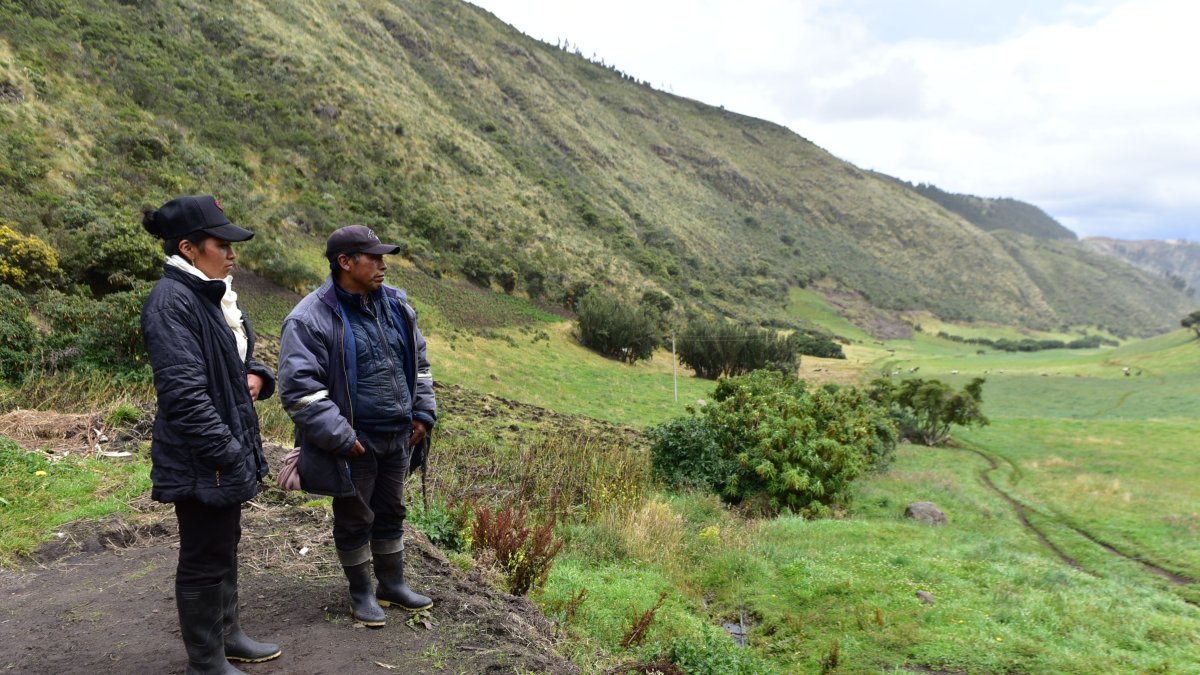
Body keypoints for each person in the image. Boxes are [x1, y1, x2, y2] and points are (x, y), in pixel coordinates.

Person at [140, 195, 281, 673]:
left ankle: (228, 636)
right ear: (189, 247)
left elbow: (233, 356)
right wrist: (227, 451)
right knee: (203, 555)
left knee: (224, 543)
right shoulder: (172, 301)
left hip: (223, 449)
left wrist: (258, 373)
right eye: (222, 244)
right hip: (204, 454)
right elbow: (183, 395)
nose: (232, 253)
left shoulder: (213, 293)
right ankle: (205, 661)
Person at [277, 225, 437, 627]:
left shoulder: (397, 305)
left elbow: (418, 364)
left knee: (391, 510)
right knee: (354, 516)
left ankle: (392, 584)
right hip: (355, 442)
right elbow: (300, 391)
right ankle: (361, 592)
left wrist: (422, 413)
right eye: (374, 258)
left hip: (398, 434)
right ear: (345, 262)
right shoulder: (310, 318)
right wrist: (343, 438)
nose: (384, 265)